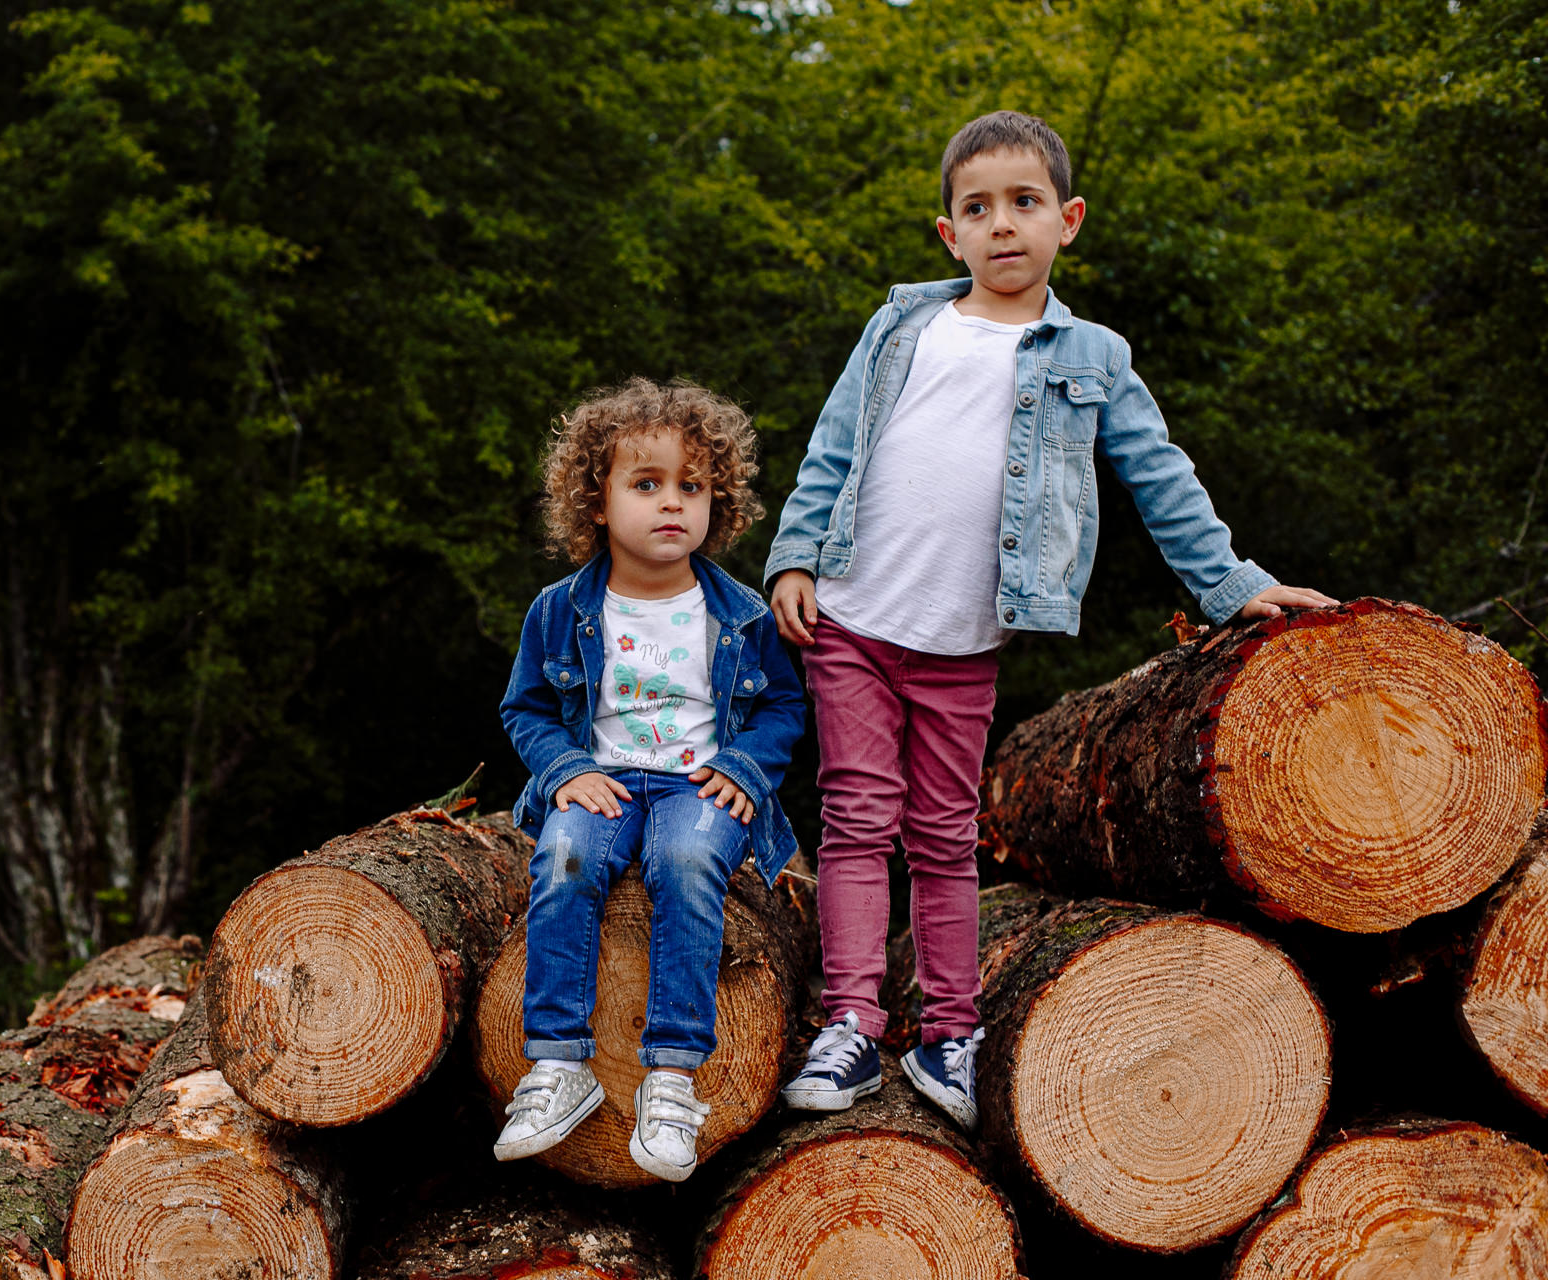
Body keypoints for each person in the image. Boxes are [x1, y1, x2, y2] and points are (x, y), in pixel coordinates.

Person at [765, 111, 1336, 1131]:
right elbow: (832, 445)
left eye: (1024, 203)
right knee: (856, 817)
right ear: (949, 235)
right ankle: (849, 1020)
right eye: (977, 209)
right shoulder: (902, 327)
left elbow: (1161, 477)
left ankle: (948, 1033)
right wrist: (795, 554)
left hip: (963, 639)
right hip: (853, 616)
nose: (1002, 225)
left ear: (1066, 220)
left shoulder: (1094, 355)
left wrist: (1233, 582)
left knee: (942, 834)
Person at [496, 377, 806, 1181]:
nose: (672, 504)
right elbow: (524, 707)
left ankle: (671, 1078)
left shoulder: (739, 614)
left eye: (691, 487)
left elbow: (783, 708)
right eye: (647, 484)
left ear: (718, 503)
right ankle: (557, 1064)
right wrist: (563, 770)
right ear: (595, 502)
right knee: (564, 856)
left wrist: (745, 767)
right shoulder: (560, 610)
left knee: (684, 861)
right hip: (604, 779)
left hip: (697, 785)